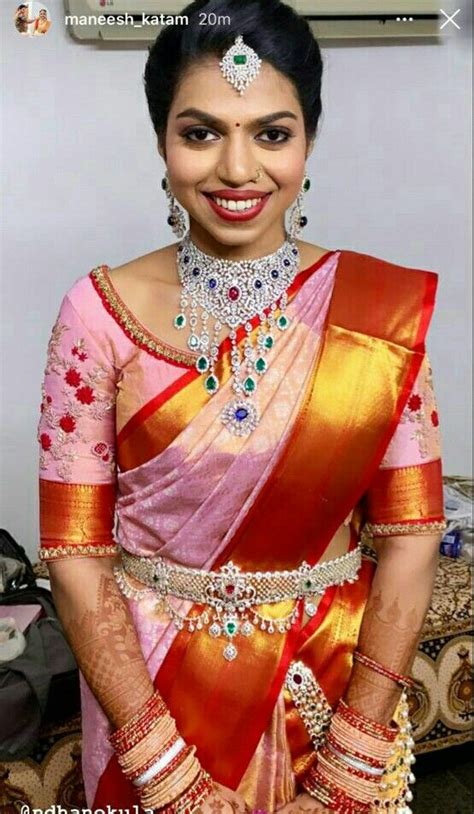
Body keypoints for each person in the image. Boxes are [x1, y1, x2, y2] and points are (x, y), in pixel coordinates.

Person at [37, 0, 447, 811]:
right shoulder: (98, 312)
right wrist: (164, 767)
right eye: (200, 133)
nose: (236, 168)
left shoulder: (377, 314)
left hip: (329, 692)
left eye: (271, 132)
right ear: (161, 140)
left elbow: (411, 536)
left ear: (308, 141)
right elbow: (74, 556)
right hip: (149, 696)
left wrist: (354, 758)